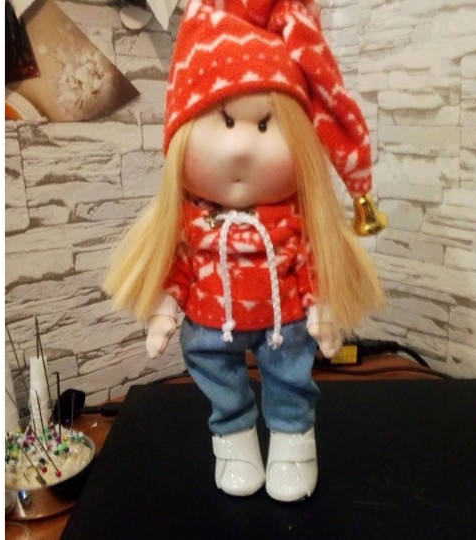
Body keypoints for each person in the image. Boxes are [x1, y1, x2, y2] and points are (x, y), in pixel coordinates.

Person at [103, 0, 385, 502]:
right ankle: (233, 439)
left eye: (264, 125)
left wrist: (322, 308)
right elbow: (181, 265)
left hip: (285, 323)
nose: (240, 149)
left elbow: (309, 261)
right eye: (225, 121)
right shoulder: (190, 219)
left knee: (290, 376)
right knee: (215, 371)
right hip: (210, 324)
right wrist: (165, 311)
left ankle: (293, 441)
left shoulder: (294, 219)